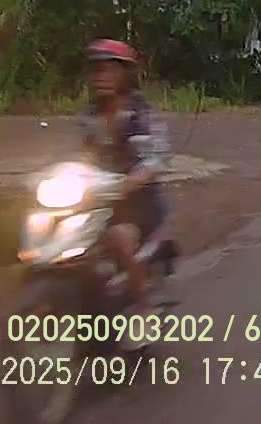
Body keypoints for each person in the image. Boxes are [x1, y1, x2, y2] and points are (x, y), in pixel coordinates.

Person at [82, 39, 169, 334]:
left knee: (119, 239)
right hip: (98, 199)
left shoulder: (140, 114)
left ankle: (145, 307)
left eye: (108, 69)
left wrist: (132, 180)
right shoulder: (91, 115)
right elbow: (81, 155)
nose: (101, 76)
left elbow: (155, 158)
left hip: (138, 201)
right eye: (96, 70)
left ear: (124, 74)